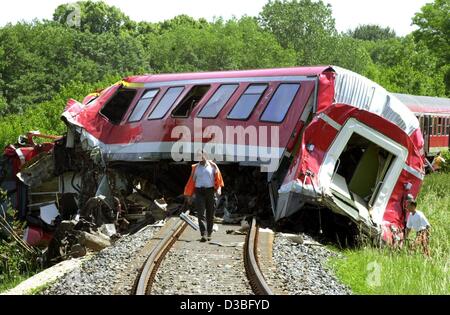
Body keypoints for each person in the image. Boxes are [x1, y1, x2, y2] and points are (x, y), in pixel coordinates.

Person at [184, 151, 224, 242]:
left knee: (210, 213)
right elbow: (191, 182)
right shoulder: (195, 168)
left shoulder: (213, 166)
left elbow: (219, 178)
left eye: (201, 156)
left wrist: (219, 189)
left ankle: (209, 233)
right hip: (199, 192)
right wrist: (189, 195)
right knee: (200, 213)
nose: (200, 159)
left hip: (210, 191)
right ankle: (204, 234)